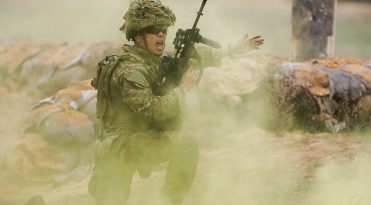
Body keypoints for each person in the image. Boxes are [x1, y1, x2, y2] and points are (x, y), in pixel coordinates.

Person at [88, 0, 263, 205]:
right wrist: (182, 90)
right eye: (154, 30)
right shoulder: (130, 70)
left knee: (186, 144)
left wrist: (233, 50)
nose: (161, 34)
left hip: (137, 139)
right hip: (118, 146)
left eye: (163, 29)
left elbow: (192, 56)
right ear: (138, 37)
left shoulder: (152, 59)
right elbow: (151, 109)